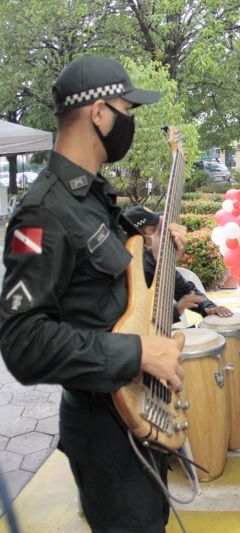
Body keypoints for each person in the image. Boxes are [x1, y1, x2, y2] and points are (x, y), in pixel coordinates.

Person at [0, 55, 185, 532]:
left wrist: (161, 260)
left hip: (137, 412)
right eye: (128, 110)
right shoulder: (43, 213)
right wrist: (137, 351)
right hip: (102, 428)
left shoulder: (92, 198)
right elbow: (23, 342)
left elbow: (114, 289)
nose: (130, 122)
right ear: (100, 113)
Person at [125, 206, 234, 321]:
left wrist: (208, 307)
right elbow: (136, 319)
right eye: (154, 229)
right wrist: (177, 309)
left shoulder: (153, 260)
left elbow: (186, 290)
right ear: (136, 235)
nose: (161, 234)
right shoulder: (122, 268)